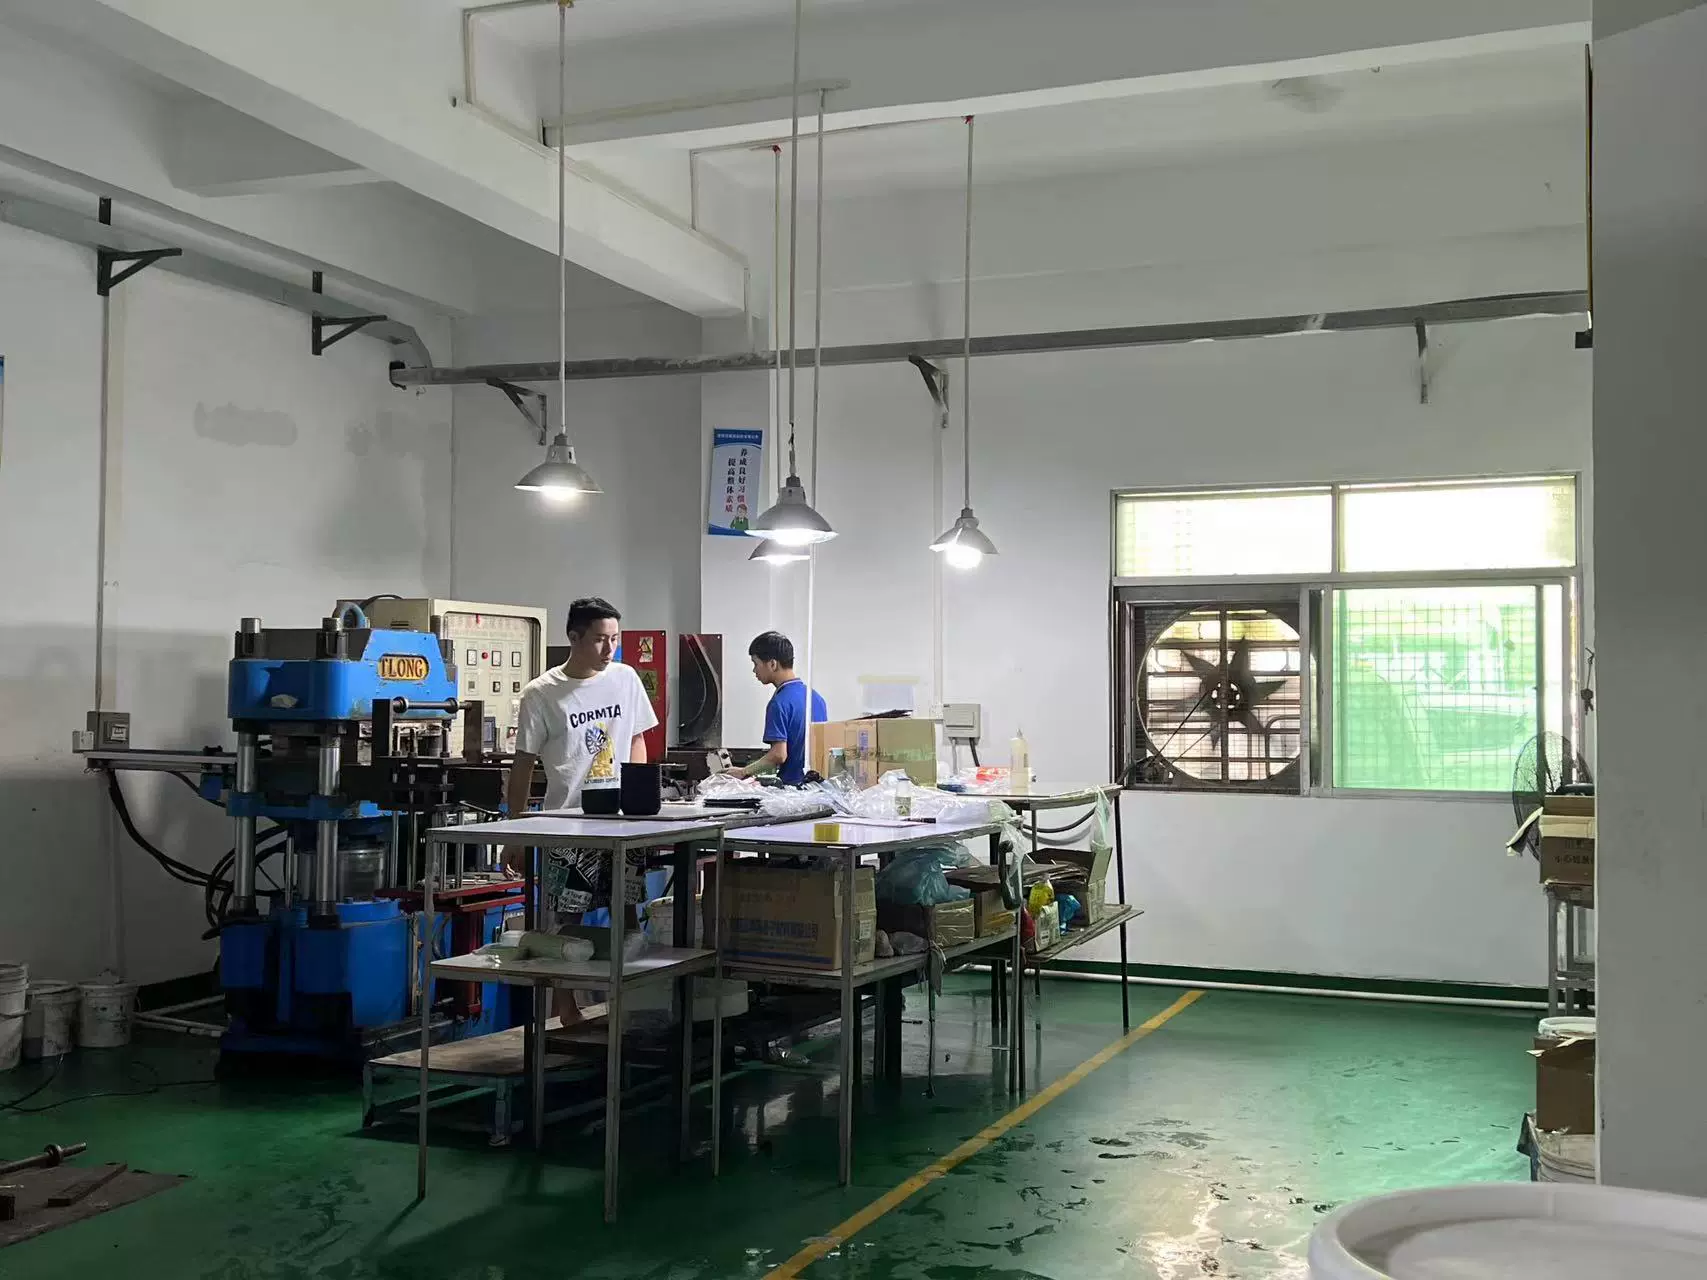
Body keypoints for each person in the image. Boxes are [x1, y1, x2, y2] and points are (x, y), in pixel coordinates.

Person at [505, 596, 658, 1024]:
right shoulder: (541, 693)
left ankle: (630, 1004)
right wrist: (515, 832)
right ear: (573, 637)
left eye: (615, 639)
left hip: (622, 822)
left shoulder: (625, 678)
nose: (610, 649)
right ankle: (566, 1008)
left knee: (628, 911)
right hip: (568, 823)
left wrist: (636, 798)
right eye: (599, 640)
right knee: (568, 918)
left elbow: (638, 738)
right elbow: (523, 765)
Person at [731, 631, 827, 786]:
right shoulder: (816, 698)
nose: (754, 670)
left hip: (792, 790)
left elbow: (778, 755)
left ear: (772, 664)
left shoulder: (779, 703)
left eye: (756, 664)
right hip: (816, 787)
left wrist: (743, 772)